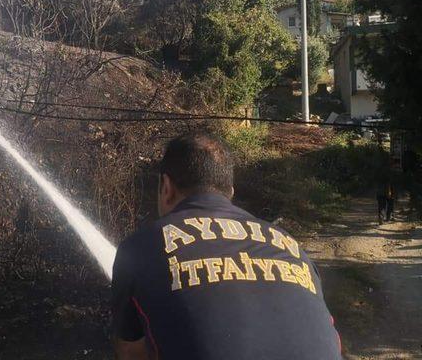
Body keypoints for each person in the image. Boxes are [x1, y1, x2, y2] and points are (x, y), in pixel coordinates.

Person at [111, 133, 342, 360]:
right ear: (230, 192)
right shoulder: (288, 243)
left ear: (166, 186)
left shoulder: (140, 246)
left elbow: (130, 353)